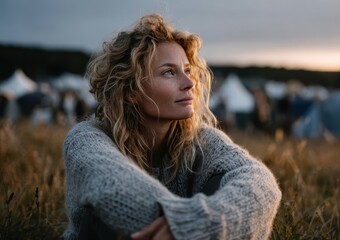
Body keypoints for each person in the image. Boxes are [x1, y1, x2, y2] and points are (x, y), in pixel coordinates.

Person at [63, 14, 281, 240]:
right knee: (103, 217)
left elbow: (260, 183)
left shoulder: (201, 140)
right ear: (130, 91)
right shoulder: (86, 138)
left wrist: (203, 221)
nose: (189, 84)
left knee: (224, 186)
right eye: (169, 72)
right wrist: (185, 223)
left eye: (187, 70)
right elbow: (115, 189)